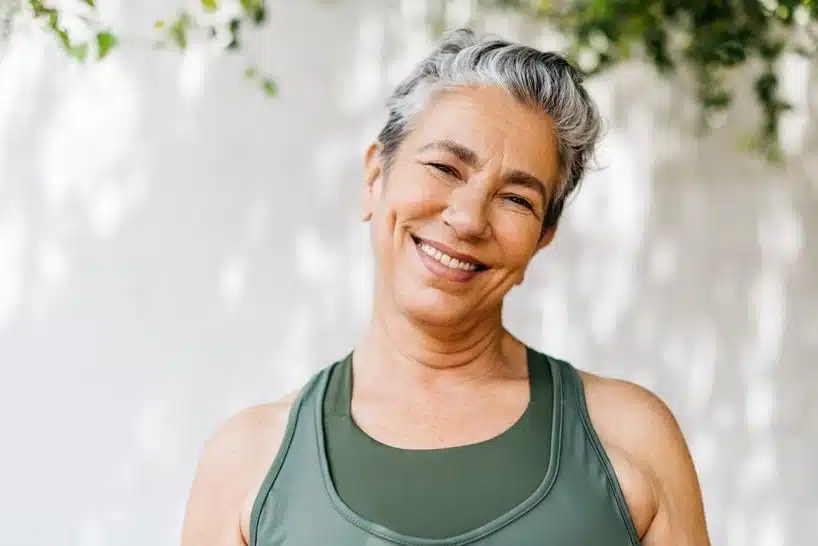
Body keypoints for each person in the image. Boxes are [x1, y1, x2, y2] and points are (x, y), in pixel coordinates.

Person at [181, 28, 710, 546]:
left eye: (517, 199)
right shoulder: (249, 459)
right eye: (443, 167)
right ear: (375, 178)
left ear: (543, 238)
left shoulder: (629, 436)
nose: (468, 218)